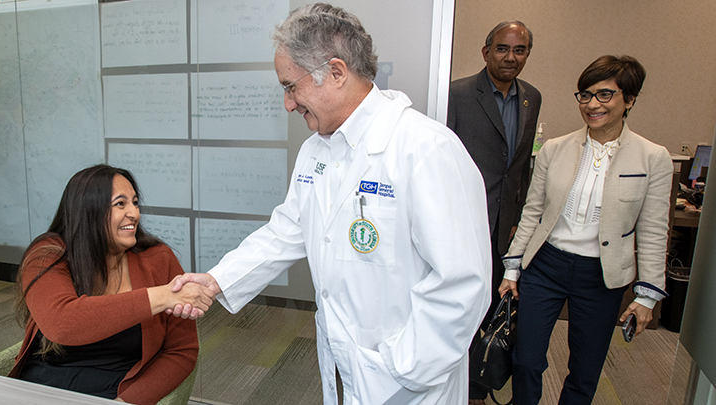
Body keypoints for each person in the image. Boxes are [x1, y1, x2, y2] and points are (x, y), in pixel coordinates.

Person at [170, 3, 492, 404]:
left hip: (410, 379)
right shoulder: (315, 152)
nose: (288, 104)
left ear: (337, 72)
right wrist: (216, 281)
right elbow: (286, 232)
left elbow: (463, 285)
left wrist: (399, 368)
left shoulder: (426, 149)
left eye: (291, 86)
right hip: (342, 363)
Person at [499, 55, 671, 404]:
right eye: (585, 95)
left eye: (605, 95)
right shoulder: (555, 149)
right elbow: (533, 212)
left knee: (585, 369)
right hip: (545, 266)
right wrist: (512, 268)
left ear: (630, 99)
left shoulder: (653, 158)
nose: (593, 104)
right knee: (526, 359)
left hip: (602, 274)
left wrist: (647, 295)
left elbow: (654, 229)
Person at [9, 164, 214, 404]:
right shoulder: (47, 255)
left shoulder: (157, 258)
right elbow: (62, 323)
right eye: (120, 204)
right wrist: (163, 296)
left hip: (114, 391)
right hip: (41, 388)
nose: (135, 213)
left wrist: (128, 401)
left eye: (135, 203)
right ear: (88, 210)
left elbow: (182, 351)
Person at [446, 20, 541, 404]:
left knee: (491, 307)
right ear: (486, 52)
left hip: (505, 227)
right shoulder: (458, 94)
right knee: (458, 304)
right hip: (462, 221)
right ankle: (449, 383)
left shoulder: (532, 97)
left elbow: (519, 166)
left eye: (519, 50)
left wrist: (519, 216)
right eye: (503, 49)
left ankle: (477, 388)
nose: (511, 57)